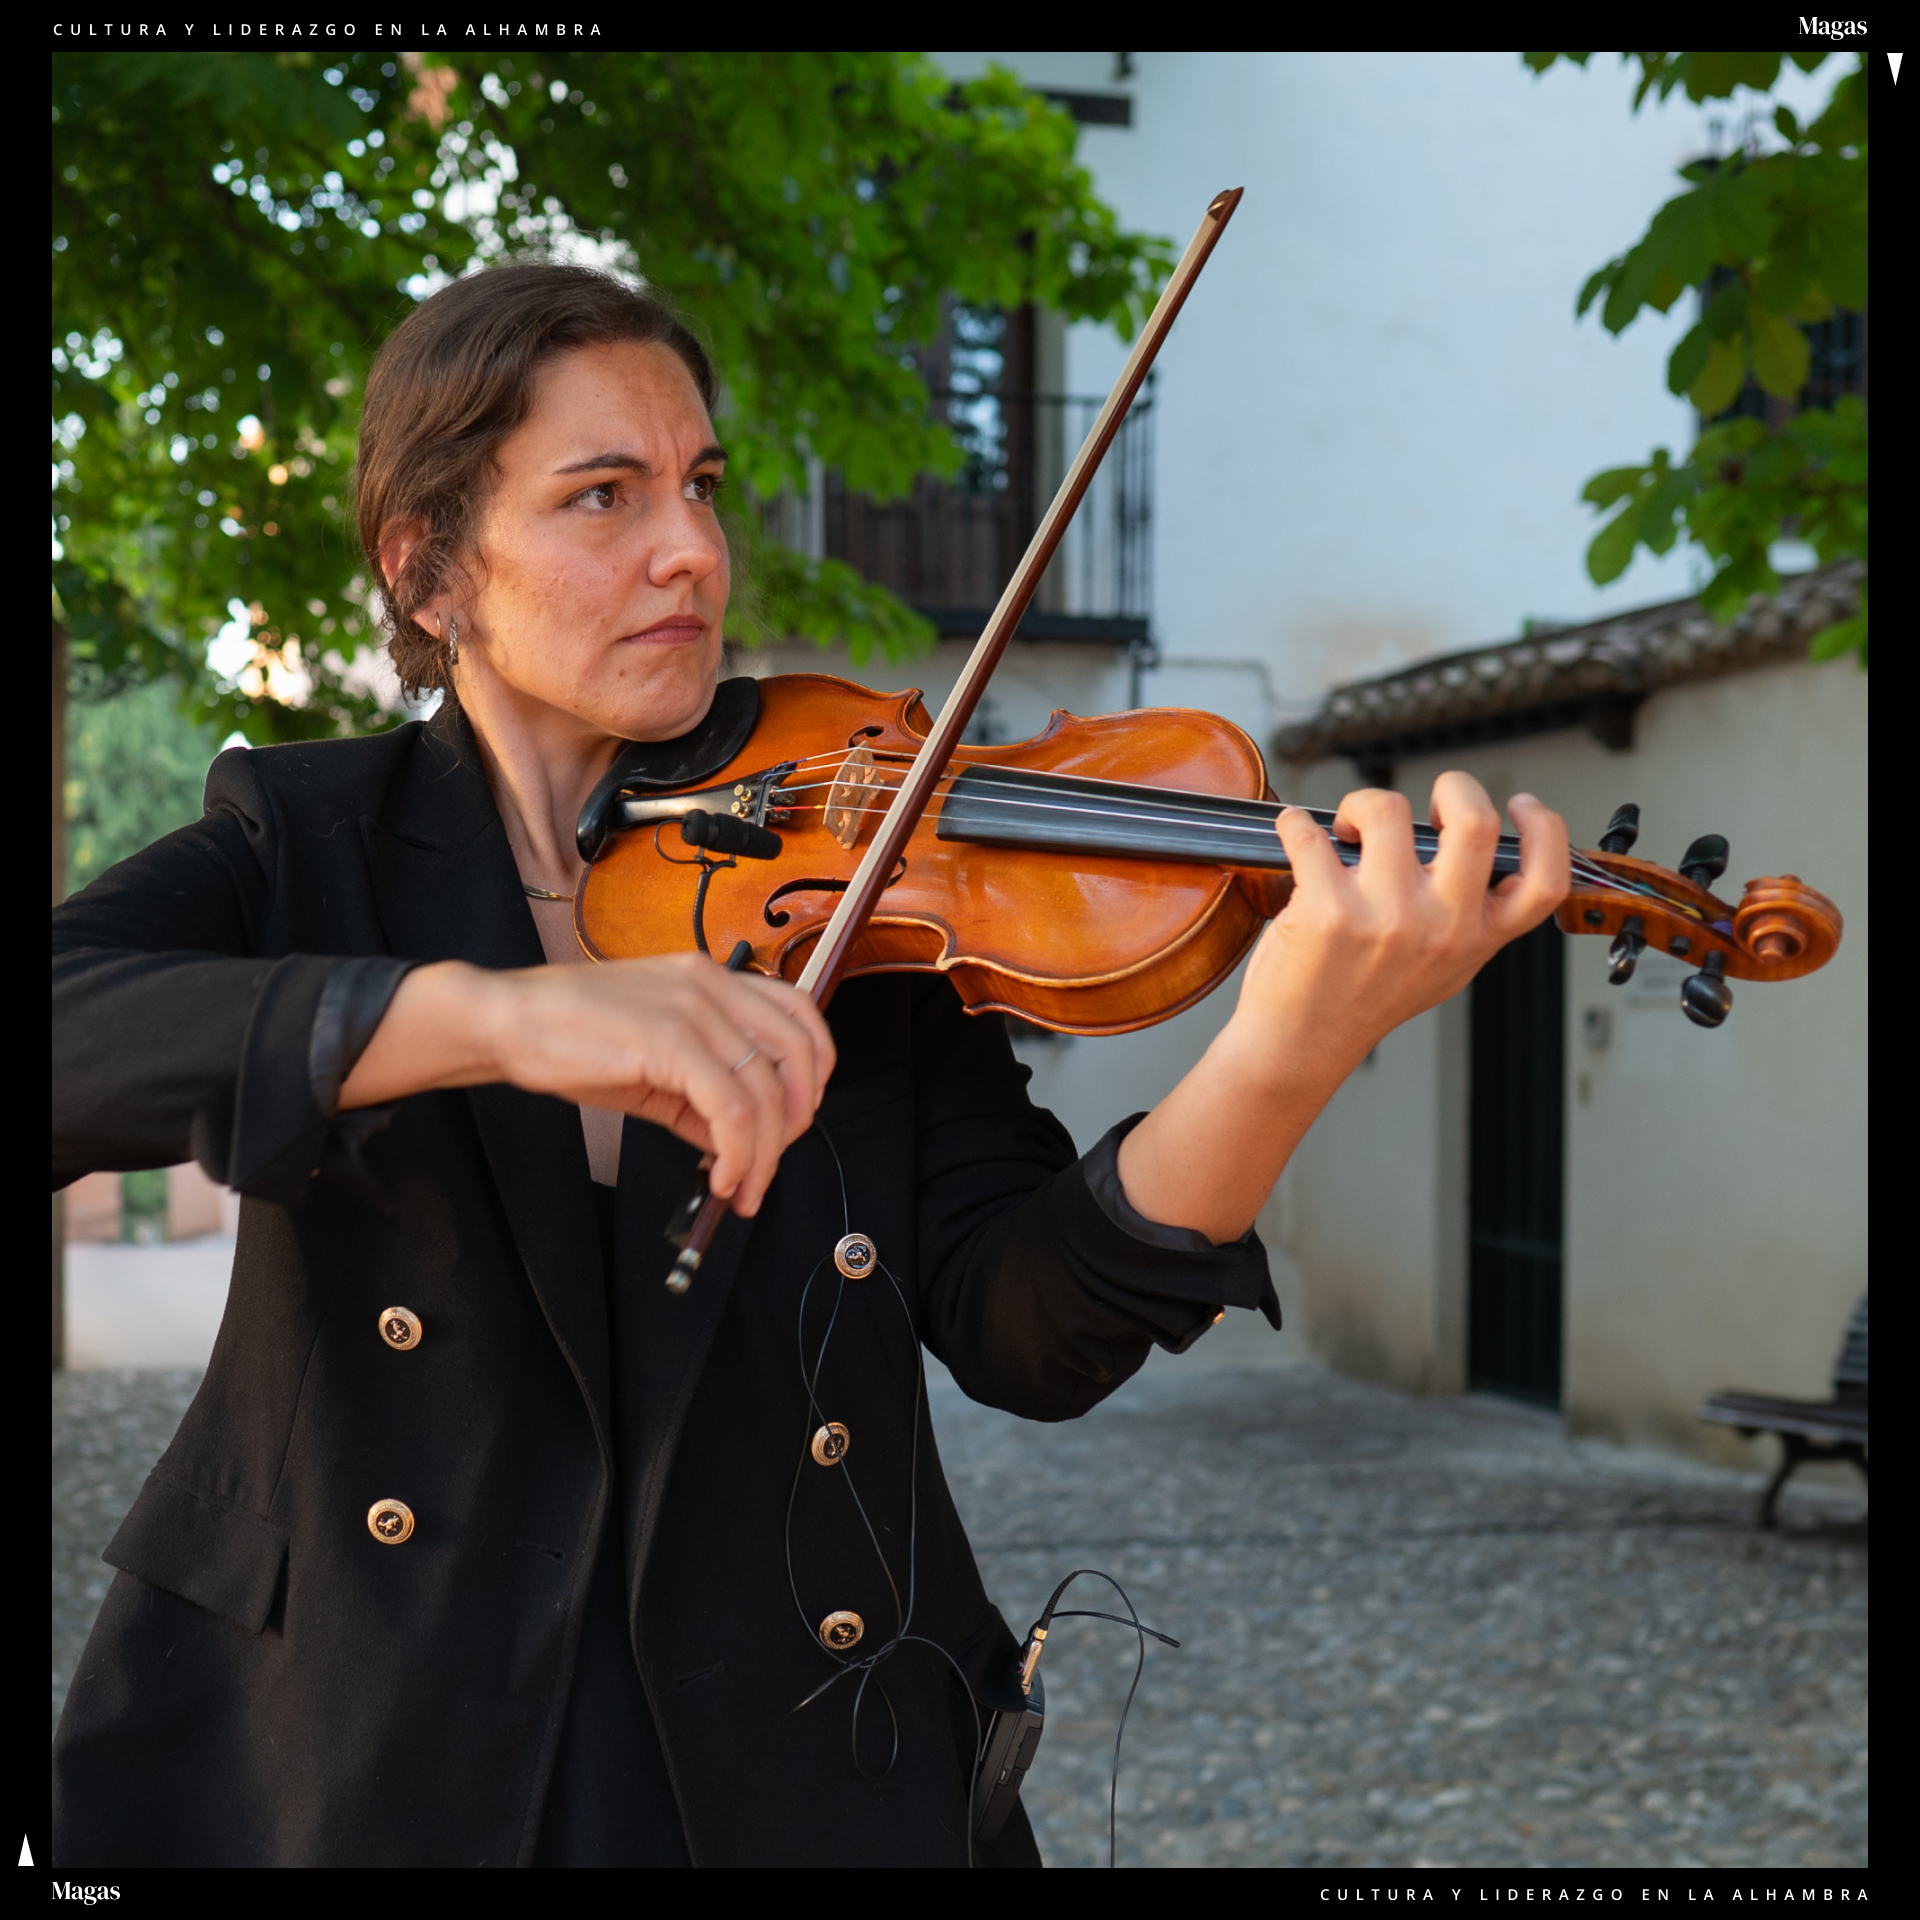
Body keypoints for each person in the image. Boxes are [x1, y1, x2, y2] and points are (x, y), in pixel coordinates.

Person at [50, 263, 1568, 1868]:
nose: (692, 548)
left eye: (701, 486)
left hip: (785, 1752)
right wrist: (496, 1015)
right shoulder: (306, 840)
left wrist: (1292, 1042)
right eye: (602, 497)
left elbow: (1026, 1328)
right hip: (358, 1738)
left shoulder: (857, 866)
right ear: (430, 572)